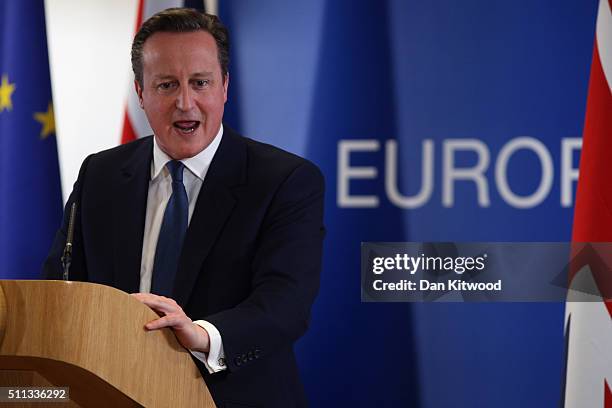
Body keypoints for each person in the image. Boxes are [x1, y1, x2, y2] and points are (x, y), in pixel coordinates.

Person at [43, 8, 325, 408]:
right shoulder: (100, 175)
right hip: (111, 394)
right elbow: (63, 287)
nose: (185, 102)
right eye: (166, 85)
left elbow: (285, 304)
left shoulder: (284, 180)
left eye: (200, 83)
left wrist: (202, 334)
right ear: (140, 93)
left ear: (225, 86)